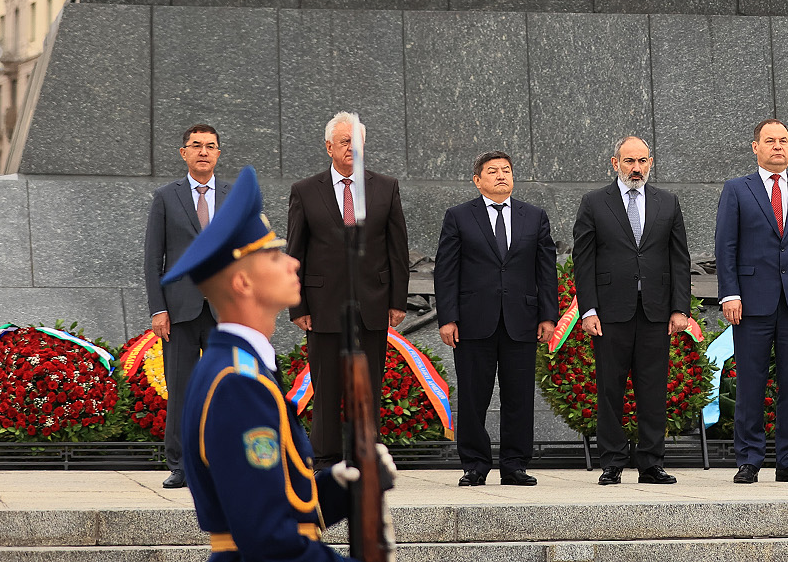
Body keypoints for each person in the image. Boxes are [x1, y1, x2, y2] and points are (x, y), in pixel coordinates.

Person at [163, 165, 397, 561]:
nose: (293, 264)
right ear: (243, 283)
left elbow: (275, 503)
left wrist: (340, 488)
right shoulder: (238, 383)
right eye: (274, 256)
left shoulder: (241, 368)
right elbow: (268, 539)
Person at [286, 113, 410, 465]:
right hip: (323, 305)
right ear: (329, 147)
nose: (351, 148)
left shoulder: (385, 187)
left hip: (373, 303)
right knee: (326, 387)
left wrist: (397, 301)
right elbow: (294, 252)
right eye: (344, 142)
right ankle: (325, 459)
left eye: (357, 142)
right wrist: (298, 305)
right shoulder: (305, 190)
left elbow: (397, 249)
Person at [433, 151, 560, 486]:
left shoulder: (534, 216)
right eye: (492, 171)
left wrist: (549, 316)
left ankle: (514, 465)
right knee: (473, 396)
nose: (501, 175)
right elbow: (446, 270)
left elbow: (546, 271)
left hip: (522, 320)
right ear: (478, 181)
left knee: (519, 396)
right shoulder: (459, 216)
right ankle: (475, 465)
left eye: (506, 170)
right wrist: (448, 318)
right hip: (474, 321)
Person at [715, 119, 788, 484]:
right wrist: (730, 293)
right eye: (770, 141)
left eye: (783, 140)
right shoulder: (737, 189)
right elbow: (726, 245)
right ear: (756, 147)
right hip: (751, 303)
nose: (778, 146)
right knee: (751, 384)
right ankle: (749, 460)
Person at [572, 136, 692, 485]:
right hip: (610, 313)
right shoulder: (594, 202)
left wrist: (680, 309)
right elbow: (584, 260)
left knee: (653, 390)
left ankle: (651, 463)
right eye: (629, 161)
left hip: (656, 312)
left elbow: (679, 259)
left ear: (650, 162)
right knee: (610, 389)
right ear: (615, 163)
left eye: (642, 161)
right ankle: (612, 462)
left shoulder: (667, 202)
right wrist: (588, 310)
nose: (636, 168)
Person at [142, 123, 228, 488]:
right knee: (181, 390)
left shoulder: (233, 196)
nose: (203, 151)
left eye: (210, 146)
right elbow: (153, 260)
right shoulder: (166, 197)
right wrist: (158, 309)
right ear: (184, 153)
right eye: (196, 145)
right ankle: (180, 465)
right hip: (179, 310)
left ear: (218, 153)